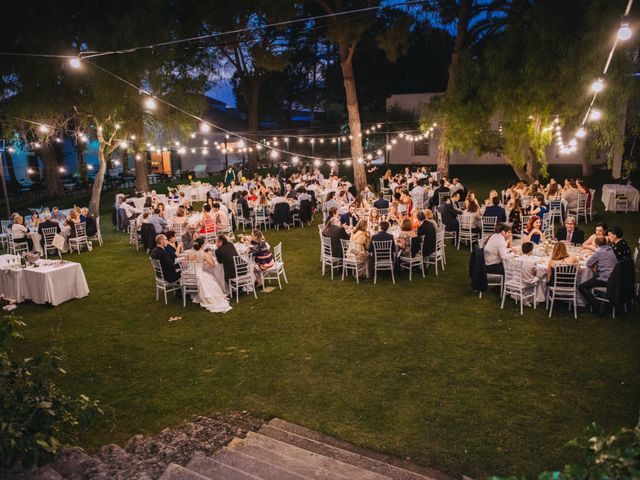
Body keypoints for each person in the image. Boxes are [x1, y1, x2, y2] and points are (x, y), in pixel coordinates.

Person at [578, 236, 618, 313]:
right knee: (593, 276)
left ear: (596, 244)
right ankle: (596, 300)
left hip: (606, 279)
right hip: (615, 277)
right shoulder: (610, 249)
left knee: (582, 287)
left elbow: (588, 264)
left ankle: (597, 304)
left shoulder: (599, 252)